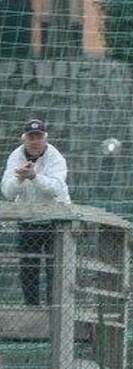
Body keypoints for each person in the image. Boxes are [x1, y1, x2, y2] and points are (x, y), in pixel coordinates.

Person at [1, 118, 70, 305]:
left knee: (55, 269)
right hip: (28, 219)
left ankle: (54, 309)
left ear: (45, 138)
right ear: (24, 138)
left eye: (38, 136)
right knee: (28, 267)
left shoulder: (56, 157)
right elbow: (7, 191)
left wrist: (34, 176)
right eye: (31, 137)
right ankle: (31, 308)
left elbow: (56, 188)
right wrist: (19, 178)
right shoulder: (16, 156)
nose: (35, 141)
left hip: (56, 221)